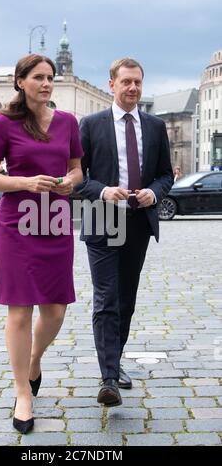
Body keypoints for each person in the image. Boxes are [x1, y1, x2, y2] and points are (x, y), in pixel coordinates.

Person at [0, 54, 83, 434]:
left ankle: (34, 359)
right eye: (38, 77)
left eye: (50, 77)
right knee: (20, 312)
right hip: (16, 225)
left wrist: (71, 180)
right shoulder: (4, 123)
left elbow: (76, 168)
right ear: (20, 81)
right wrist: (25, 182)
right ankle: (23, 391)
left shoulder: (68, 122)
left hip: (55, 221)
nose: (46, 83)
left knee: (55, 311)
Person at [75, 58, 173, 407]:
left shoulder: (156, 126)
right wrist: (102, 190)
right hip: (102, 218)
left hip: (138, 223)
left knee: (126, 300)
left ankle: (114, 363)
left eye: (138, 83)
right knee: (106, 298)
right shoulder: (90, 124)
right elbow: (76, 178)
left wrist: (155, 193)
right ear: (112, 84)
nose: (133, 88)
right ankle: (109, 379)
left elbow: (166, 174)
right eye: (126, 82)